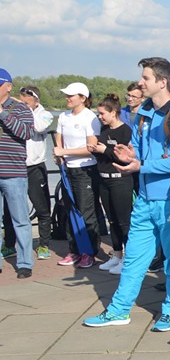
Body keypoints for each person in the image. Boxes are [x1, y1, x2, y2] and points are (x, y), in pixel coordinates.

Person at [83, 57, 170, 330]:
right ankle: (119, 310)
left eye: (145, 78)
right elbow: (139, 151)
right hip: (144, 199)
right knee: (133, 258)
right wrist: (129, 154)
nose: (140, 83)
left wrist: (141, 164)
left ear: (162, 82)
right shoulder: (144, 112)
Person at [1, 85, 53, 262]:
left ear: (36, 101)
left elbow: (35, 128)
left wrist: (19, 108)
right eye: (21, 100)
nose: (23, 103)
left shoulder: (44, 114)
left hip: (34, 167)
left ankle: (44, 243)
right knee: (9, 211)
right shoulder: (17, 111)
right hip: (14, 166)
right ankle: (9, 244)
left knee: (41, 207)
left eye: (27, 101)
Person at [53, 81, 100, 269]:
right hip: (68, 170)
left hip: (85, 170)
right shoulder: (64, 116)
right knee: (69, 209)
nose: (67, 98)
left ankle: (89, 252)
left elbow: (91, 148)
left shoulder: (90, 118)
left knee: (86, 211)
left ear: (82, 98)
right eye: (67, 95)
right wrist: (60, 153)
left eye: (71, 96)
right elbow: (59, 137)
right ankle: (74, 250)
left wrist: (64, 152)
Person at [89, 94, 134, 274]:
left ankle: (129, 259)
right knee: (112, 220)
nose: (100, 117)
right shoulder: (104, 130)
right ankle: (116, 255)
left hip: (120, 180)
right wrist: (96, 150)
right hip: (104, 179)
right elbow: (102, 153)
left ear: (114, 112)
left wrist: (104, 149)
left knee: (124, 221)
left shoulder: (125, 132)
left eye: (102, 114)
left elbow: (125, 157)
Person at [0, 68, 34, 278]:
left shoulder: (20, 109)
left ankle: (24, 263)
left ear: (8, 87)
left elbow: (26, 133)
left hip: (14, 174)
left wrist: (2, 114)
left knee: (20, 220)